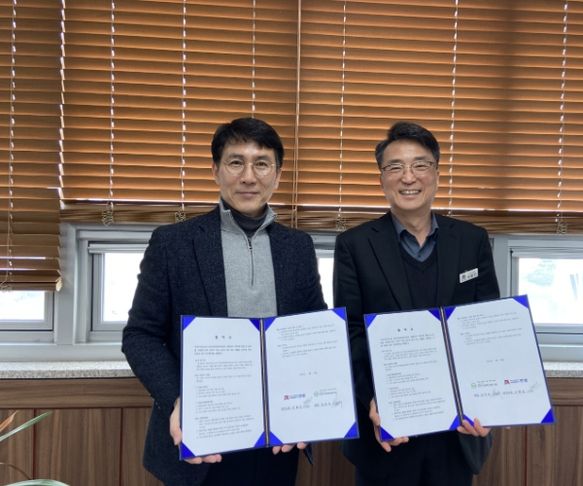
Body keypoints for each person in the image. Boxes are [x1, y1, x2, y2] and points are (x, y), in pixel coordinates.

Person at [122, 117, 326, 486]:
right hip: (200, 439)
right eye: (236, 162)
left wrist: (309, 404)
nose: (249, 176)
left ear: (278, 174)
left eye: (261, 163)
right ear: (216, 170)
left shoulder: (297, 247)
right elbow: (140, 336)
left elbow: (313, 332)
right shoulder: (173, 243)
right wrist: (180, 400)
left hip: (278, 438)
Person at [333, 121, 500, 486]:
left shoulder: (471, 240)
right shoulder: (354, 245)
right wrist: (373, 400)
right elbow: (351, 333)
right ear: (382, 179)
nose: (408, 177)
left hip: (456, 432)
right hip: (387, 431)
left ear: (436, 174)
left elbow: (488, 329)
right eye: (395, 167)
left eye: (420, 165)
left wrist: (488, 402)